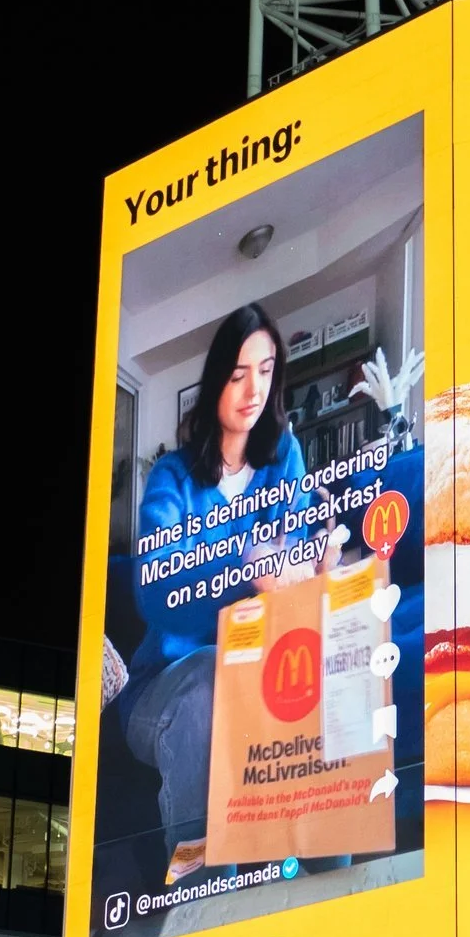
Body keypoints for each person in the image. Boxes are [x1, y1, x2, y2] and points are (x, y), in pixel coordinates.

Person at [119, 302, 331, 856]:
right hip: (166, 687)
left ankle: (333, 881)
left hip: (262, 669)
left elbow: (296, 547)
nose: (253, 389)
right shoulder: (173, 477)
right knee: (209, 687)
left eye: (265, 372)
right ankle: (203, 897)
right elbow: (155, 589)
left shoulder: (285, 457)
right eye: (238, 375)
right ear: (216, 382)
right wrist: (247, 566)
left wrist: (316, 560)